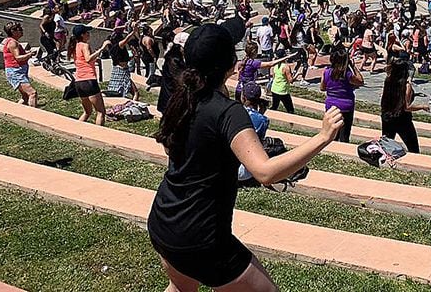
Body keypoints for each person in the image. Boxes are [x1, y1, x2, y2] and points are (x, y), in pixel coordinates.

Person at [148, 20, 343, 292]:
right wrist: (323, 137)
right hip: (201, 237)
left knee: (181, 289)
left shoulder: (182, 99)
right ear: (231, 65)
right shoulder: (229, 113)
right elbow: (264, 172)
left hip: (163, 222)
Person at [68, 24, 111, 126]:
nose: (89, 34)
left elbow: (84, 60)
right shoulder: (85, 45)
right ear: (82, 35)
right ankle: (99, 134)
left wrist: (96, 54)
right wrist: (102, 48)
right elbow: (88, 59)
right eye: (87, 32)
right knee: (100, 112)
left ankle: (77, 130)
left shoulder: (75, 46)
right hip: (89, 80)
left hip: (79, 82)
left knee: (87, 112)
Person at [380, 59, 426, 153]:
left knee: (386, 144)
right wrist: (422, 106)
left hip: (387, 116)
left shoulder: (388, 81)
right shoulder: (406, 85)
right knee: (413, 147)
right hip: (402, 119)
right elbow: (407, 107)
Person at [320, 45, 364, 143]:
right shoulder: (347, 74)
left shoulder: (326, 72)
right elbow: (361, 81)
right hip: (346, 105)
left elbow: (322, 88)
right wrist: (353, 66)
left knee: (332, 132)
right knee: (345, 134)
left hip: (331, 105)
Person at [0, 21, 38, 107]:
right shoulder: (13, 43)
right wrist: (29, 55)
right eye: (19, 29)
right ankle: (34, 115)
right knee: (32, 93)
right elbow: (18, 58)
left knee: (25, 97)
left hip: (18, 71)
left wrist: (27, 52)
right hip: (15, 71)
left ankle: (17, 111)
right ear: (13, 31)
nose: (22, 31)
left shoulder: (12, 42)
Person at [107, 25, 140, 100]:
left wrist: (133, 56)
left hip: (117, 70)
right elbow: (126, 39)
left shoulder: (112, 49)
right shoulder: (118, 46)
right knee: (135, 93)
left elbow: (123, 59)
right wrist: (133, 32)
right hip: (122, 71)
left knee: (120, 92)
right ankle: (133, 104)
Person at [269, 48, 296, 114]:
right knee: (290, 109)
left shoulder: (275, 65)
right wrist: (297, 74)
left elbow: (273, 76)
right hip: (283, 90)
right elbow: (290, 80)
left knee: (274, 106)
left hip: (274, 89)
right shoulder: (286, 67)